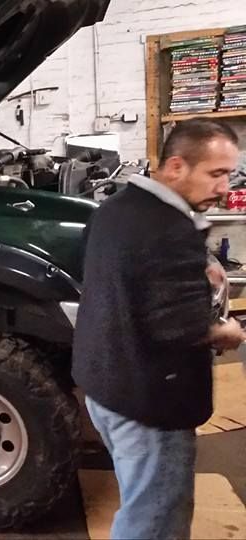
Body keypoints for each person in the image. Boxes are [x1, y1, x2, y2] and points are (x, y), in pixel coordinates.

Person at [72, 118, 246, 540]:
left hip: (103, 387)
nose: (225, 188)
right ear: (176, 167)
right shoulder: (171, 229)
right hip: (149, 402)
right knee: (154, 521)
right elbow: (177, 327)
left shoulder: (114, 208)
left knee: (138, 497)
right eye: (216, 174)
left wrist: (194, 273)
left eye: (229, 174)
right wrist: (224, 332)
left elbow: (112, 278)